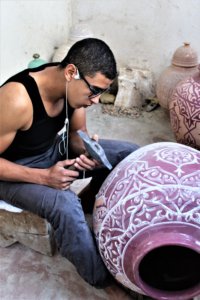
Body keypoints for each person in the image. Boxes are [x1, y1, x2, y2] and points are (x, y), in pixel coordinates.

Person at [0, 38, 139, 287]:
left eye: (102, 93)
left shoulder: (72, 88)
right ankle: (100, 278)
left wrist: (88, 150)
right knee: (65, 204)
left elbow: (76, 135)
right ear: (71, 72)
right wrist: (43, 177)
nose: (96, 100)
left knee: (128, 153)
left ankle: (90, 202)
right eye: (94, 91)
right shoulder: (16, 100)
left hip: (51, 152)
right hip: (12, 174)